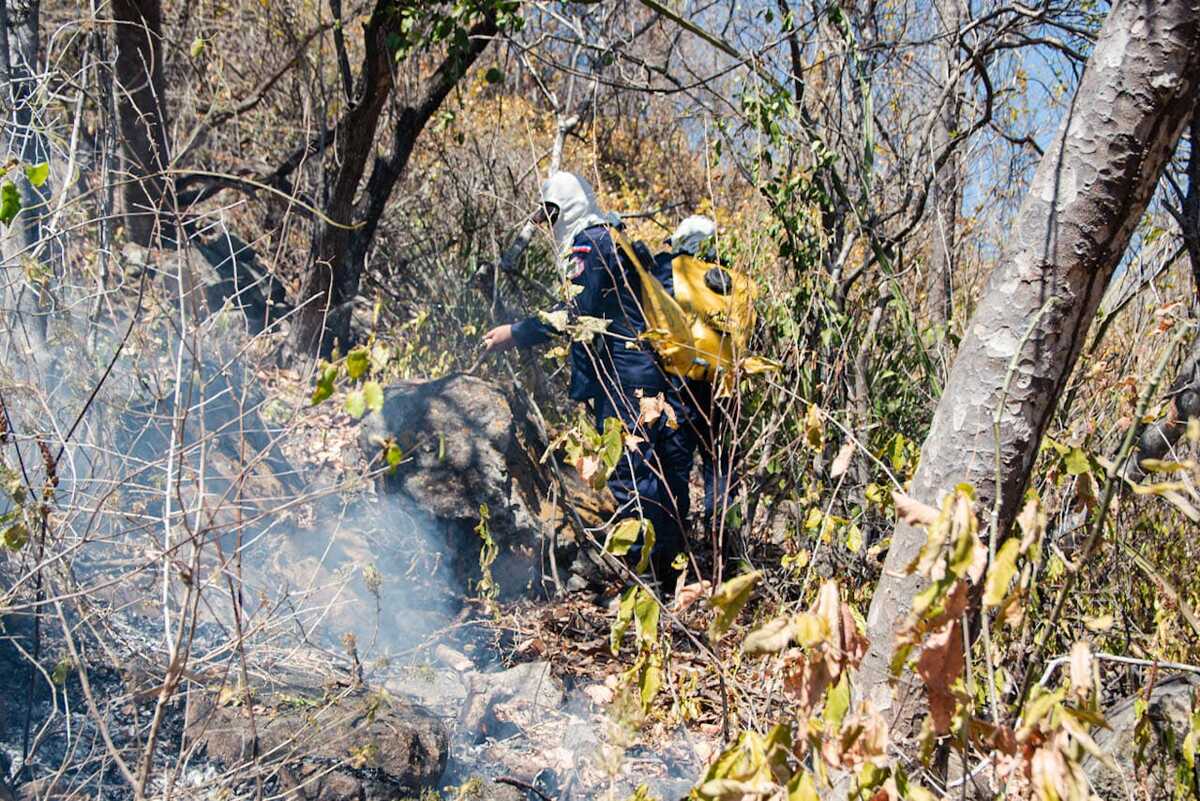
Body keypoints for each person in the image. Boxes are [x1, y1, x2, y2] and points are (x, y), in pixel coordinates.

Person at [482, 172, 695, 581]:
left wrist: (515, 333)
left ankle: (647, 578)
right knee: (657, 472)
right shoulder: (614, 238)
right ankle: (669, 568)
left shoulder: (588, 243)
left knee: (631, 473)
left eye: (550, 214)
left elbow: (578, 313)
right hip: (648, 372)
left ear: (561, 208)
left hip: (622, 377)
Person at [656, 215, 737, 535]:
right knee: (720, 468)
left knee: (675, 467)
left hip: (680, 385)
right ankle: (726, 548)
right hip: (726, 388)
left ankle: (677, 546)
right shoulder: (736, 280)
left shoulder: (672, 271)